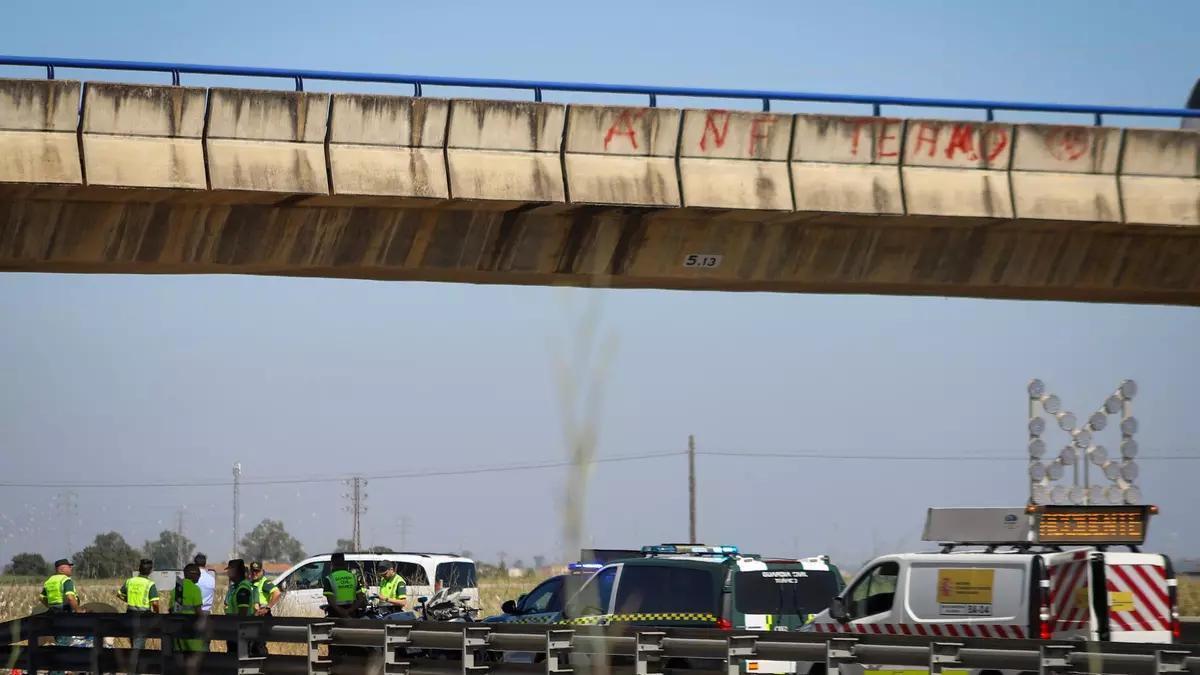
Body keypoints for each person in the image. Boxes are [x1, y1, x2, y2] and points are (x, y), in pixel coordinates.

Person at [40, 559, 83, 675]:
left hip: (53, 614)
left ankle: (56, 671)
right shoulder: (66, 580)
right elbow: (70, 597)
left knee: (59, 643)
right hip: (65, 615)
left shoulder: (49, 581)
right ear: (62, 569)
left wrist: (50, 606)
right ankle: (56, 672)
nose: (71, 568)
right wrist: (78, 610)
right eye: (69, 567)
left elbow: (41, 597)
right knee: (63, 647)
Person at [118, 558, 160, 650]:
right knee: (139, 643)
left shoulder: (130, 581)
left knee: (134, 641)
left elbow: (119, 594)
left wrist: (128, 600)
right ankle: (137, 661)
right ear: (150, 571)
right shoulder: (150, 584)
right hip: (143, 617)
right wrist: (157, 614)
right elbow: (155, 603)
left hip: (129, 615)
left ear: (139, 569)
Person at [170, 563, 207, 657]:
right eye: (198, 574)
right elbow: (198, 610)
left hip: (178, 632)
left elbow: (171, 610)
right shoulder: (195, 589)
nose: (199, 577)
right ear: (193, 574)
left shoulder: (176, 588)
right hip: (192, 631)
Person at [223, 559, 258, 655]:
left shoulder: (242, 588)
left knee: (237, 660)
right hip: (235, 631)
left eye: (229, 570)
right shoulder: (237, 587)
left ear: (236, 571)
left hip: (239, 633)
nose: (228, 573)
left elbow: (243, 613)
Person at [321, 552, 365, 618]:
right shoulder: (353, 577)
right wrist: (349, 611)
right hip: (352, 614)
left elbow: (330, 601)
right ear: (344, 562)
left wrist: (343, 612)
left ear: (332, 563)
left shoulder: (329, 578)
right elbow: (361, 598)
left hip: (336, 614)